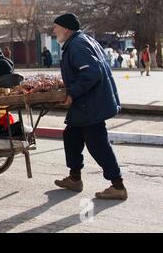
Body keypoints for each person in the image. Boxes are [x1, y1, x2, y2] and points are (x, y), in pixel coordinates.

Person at [53, 13, 127, 201]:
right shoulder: (80, 41)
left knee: (97, 143)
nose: (54, 31)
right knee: (71, 136)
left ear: (66, 29)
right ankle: (74, 178)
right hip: (88, 102)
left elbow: (91, 74)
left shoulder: (77, 46)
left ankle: (118, 185)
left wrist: (72, 93)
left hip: (90, 103)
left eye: (56, 28)